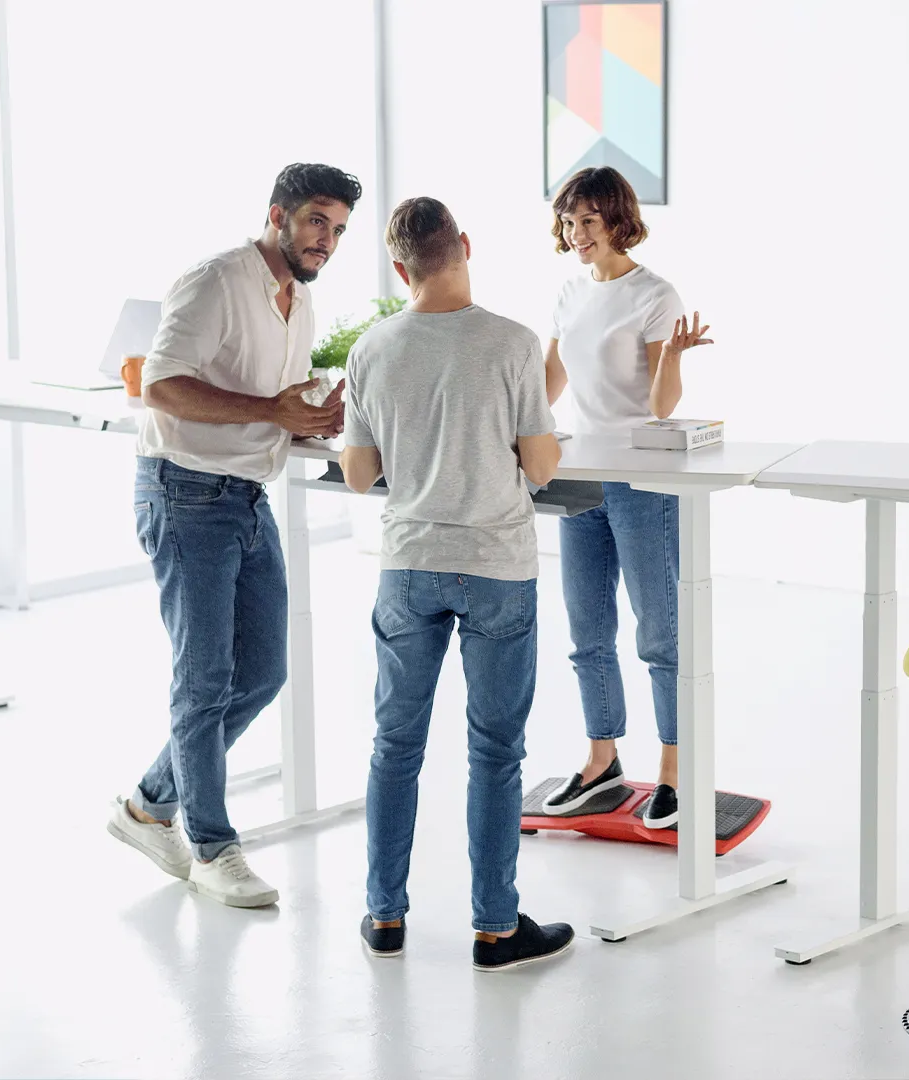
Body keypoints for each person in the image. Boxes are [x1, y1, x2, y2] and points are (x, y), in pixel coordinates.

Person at [105, 163, 359, 907]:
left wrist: (310, 410)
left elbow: (270, 395)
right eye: (317, 220)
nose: (327, 239)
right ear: (277, 213)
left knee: (262, 672)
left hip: (247, 497)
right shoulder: (215, 279)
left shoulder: (300, 301)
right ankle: (213, 850)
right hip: (185, 493)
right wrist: (272, 411)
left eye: (338, 229)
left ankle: (148, 806)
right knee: (204, 679)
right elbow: (161, 384)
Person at [341, 196, 574, 969]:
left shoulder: (372, 348)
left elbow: (359, 474)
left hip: (407, 564)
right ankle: (495, 928)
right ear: (465, 246)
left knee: (394, 745)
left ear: (398, 267)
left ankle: (384, 918)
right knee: (494, 753)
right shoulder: (511, 344)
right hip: (497, 566)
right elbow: (540, 467)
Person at [538, 166, 713, 829]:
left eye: (586, 220)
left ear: (617, 220)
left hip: (641, 480)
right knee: (587, 633)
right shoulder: (568, 294)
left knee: (660, 634)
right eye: (567, 221)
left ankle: (675, 768)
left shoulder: (654, 295)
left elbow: (661, 405)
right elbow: (549, 386)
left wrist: (677, 356)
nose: (574, 232)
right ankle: (602, 761)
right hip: (580, 478)